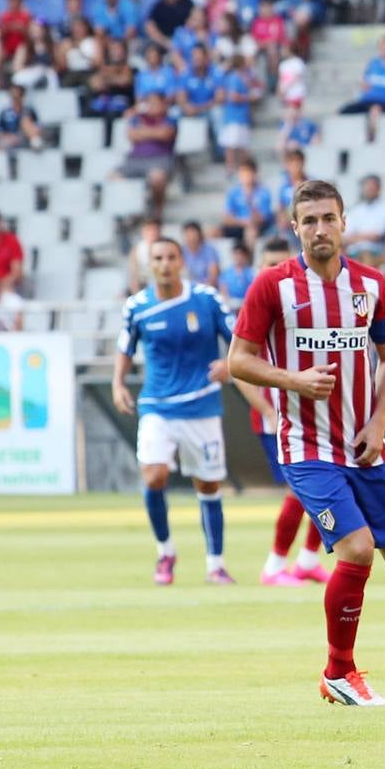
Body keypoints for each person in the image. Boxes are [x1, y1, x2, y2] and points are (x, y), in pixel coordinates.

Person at [229, 180, 385, 706]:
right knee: (357, 548)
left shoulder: (371, 285)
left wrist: (379, 423)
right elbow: (238, 360)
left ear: (344, 223)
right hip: (307, 446)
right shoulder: (272, 286)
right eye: (309, 220)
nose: (320, 229)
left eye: (328, 218)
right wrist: (293, 381)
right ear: (295, 227)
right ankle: (339, 672)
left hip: (365, 445)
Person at [112, 238, 236, 586]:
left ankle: (215, 564)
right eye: (158, 258)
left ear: (182, 262)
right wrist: (118, 384)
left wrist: (230, 364)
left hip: (201, 404)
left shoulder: (207, 299)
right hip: (157, 406)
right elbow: (125, 348)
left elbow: (240, 338)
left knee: (208, 484)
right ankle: (165, 552)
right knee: (153, 476)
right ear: (149, 264)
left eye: (170, 257)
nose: (164, 264)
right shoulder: (138, 306)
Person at [230, 238, 334, 587]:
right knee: (303, 490)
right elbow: (238, 369)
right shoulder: (257, 307)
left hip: (309, 414)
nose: (276, 270)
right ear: (259, 268)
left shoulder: (301, 304)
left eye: (281, 263)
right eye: (269, 264)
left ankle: (307, 559)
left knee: (328, 484)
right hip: (276, 419)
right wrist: (266, 410)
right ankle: (275, 565)